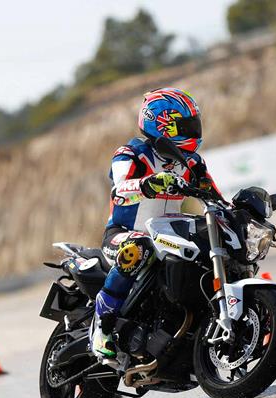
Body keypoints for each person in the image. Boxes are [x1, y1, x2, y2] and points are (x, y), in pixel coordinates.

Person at [92, 88, 220, 359]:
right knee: (139, 248)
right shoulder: (132, 153)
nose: (194, 131)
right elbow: (119, 189)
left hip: (168, 233)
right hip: (124, 233)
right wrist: (147, 184)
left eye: (194, 124)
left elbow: (214, 196)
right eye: (185, 126)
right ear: (162, 124)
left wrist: (239, 211)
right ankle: (102, 326)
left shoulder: (192, 162)